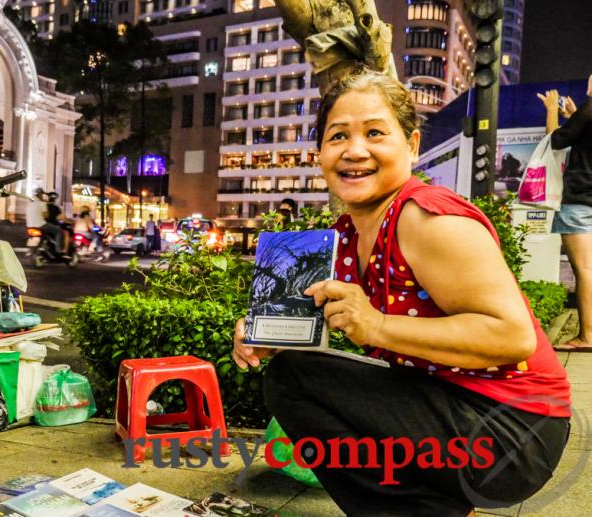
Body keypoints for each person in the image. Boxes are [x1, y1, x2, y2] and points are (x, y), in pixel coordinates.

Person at [232, 72, 571, 516]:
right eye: (338, 136)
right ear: (320, 154)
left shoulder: (428, 219)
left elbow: (513, 337)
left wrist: (376, 324)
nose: (355, 150)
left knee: (296, 381)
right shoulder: (346, 236)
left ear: (411, 145)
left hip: (514, 431)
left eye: (375, 132)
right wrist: (270, 334)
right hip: (455, 409)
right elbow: (325, 330)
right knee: (293, 374)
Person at [538, 75, 592, 352]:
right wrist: (573, 115)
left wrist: (550, 109)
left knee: (584, 270)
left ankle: (587, 337)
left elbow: (555, 141)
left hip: (581, 200)